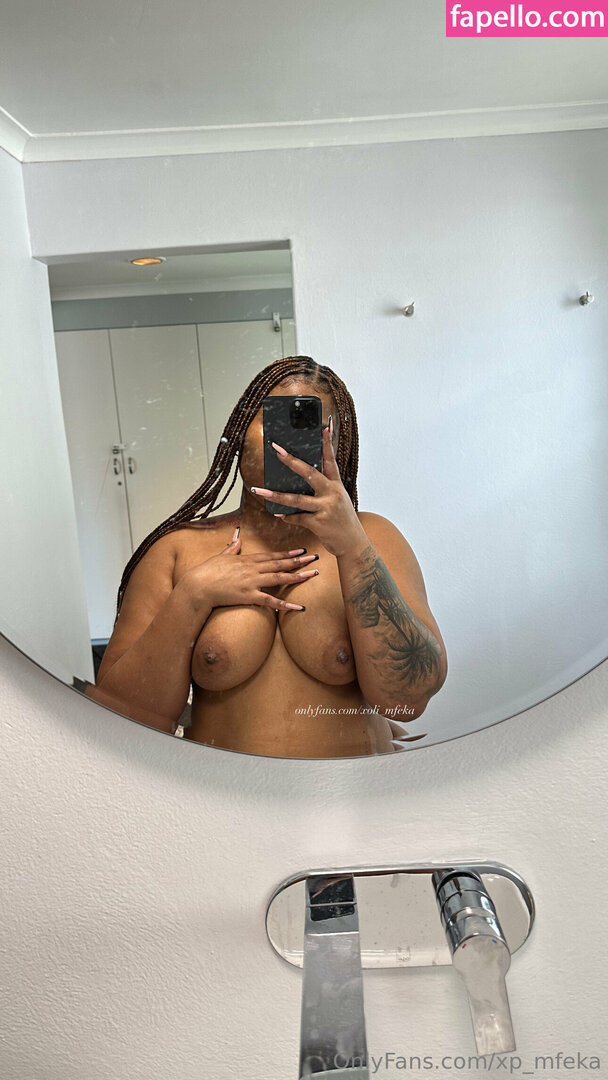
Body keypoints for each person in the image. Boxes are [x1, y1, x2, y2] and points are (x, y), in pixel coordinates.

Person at [87, 356, 447, 758]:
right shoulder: (178, 550)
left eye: (310, 425)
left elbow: (409, 701)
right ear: (240, 432)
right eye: (276, 420)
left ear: (338, 443)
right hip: (219, 793)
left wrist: (353, 550)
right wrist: (193, 594)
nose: (288, 443)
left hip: (354, 793)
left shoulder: (374, 539)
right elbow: (123, 720)